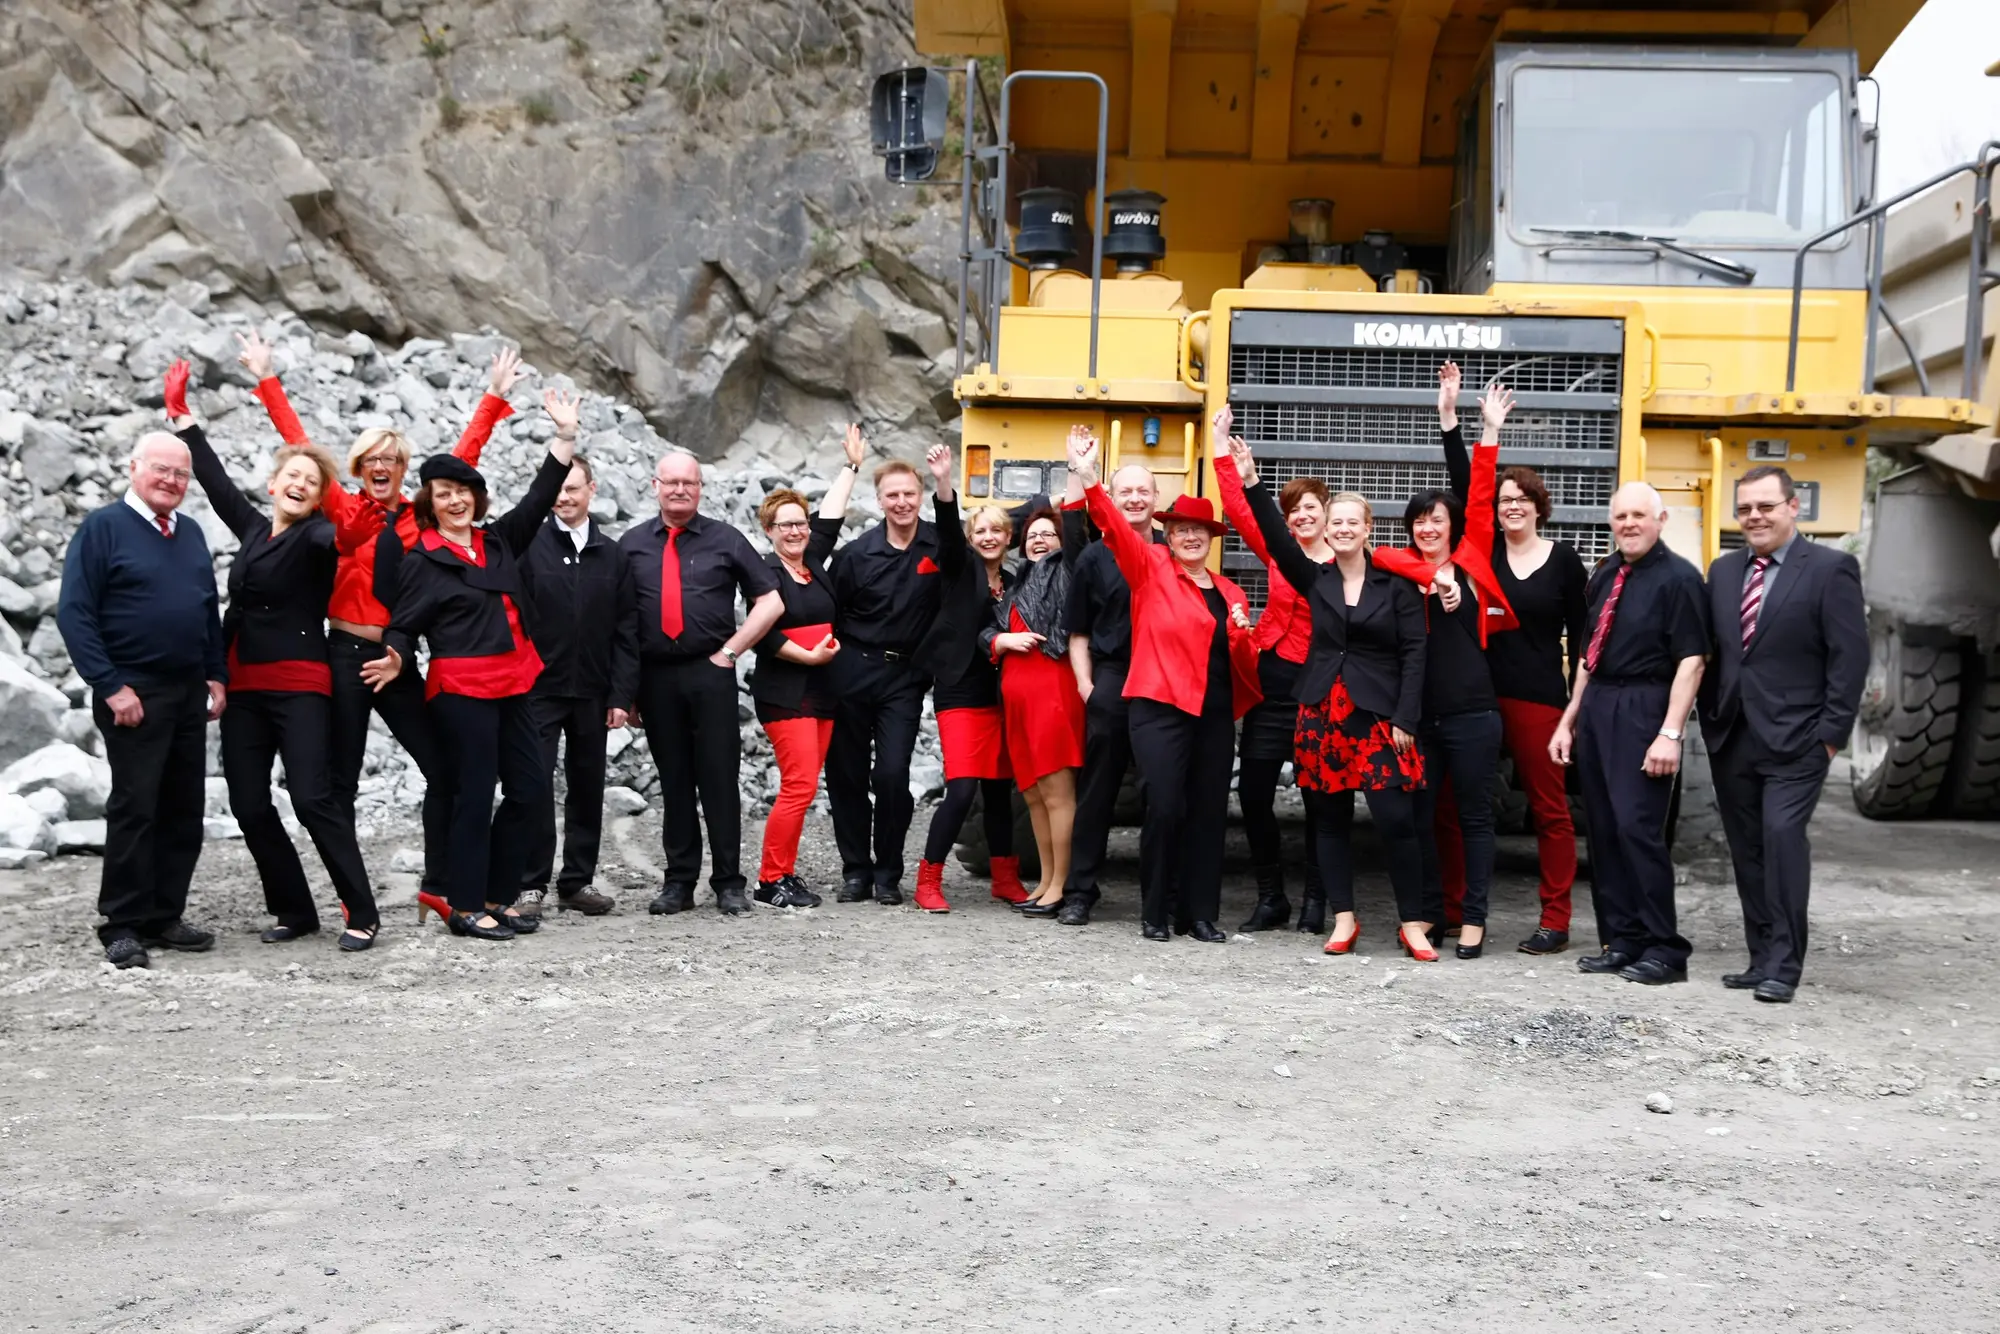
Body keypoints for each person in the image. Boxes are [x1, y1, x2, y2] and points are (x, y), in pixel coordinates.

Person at [239, 330, 521, 903]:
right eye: (373, 459)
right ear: (359, 466)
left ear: (403, 469)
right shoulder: (341, 508)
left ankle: (438, 887)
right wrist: (266, 378)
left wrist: (492, 396)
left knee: (441, 768)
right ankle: (352, 902)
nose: (383, 466)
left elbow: (462, 461)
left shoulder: (421, 519)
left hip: (396, 660)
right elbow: (300, 443)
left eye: (394, 460)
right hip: (343, 657)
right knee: (338, 781)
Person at [163, 360, 383, 951]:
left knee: (313, 798)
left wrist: (352, 521)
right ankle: (295, 909)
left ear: (317, 496)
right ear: (275, 481)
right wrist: (183, 420)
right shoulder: (256, 529)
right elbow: (212, 480)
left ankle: (361, 912)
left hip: (299, 683)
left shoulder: (316, 537)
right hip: (244, 688)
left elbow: (346, 536)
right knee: (249, 804)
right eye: (294, 474)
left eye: (312, 481)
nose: (301, 483)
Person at [363, 391, 579, 941]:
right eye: (443, 494)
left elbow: (538, 497)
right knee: (474, 796)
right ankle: (462, 904)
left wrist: (564, 438)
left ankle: (495, 895)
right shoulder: (423, 559)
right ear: (430, 504)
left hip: (514, 683)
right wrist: (394, 655)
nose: (455, 501)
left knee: (530, 792)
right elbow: (402, 623)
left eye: (462, 491)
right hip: (461, 689)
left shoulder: (499, 542)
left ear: (475, 497)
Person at [1228, 437, 1435, 960]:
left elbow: (1415, 655)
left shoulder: (1396, 586)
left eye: (1351, 522)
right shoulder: (1313, 579)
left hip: (1379, 717)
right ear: (1325, 528)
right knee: (1329, 821)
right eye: (1334, 522)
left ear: (1368, 529)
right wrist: (1251, 479)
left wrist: (1406, 716)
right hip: (1321, 713)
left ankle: (1413, 923)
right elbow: (1275, 538)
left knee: (1395, 820)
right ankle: (1343, 919)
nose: (1341, 529)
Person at [1073, 431, 1260, 942]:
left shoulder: (1229, 590)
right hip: (1158, 706)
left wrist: (1244, 635)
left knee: (1207, 812)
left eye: (1199, 530)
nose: (1190, 537)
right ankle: (1156, 911)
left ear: (1211, 538)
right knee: (1165, 806)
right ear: (1168, 536)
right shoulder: (1150, 568)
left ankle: (1198, 914)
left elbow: (1241, 658)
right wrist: (1090, 478)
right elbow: (1114, 528)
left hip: (1214, 712)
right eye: (1180, 529)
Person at [56, 431, 228, 969]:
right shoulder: (103, 528)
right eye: (162, 470)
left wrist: (216, 675)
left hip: (185, 691)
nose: (172, 481)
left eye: (181, 474)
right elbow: (75, 613)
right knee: (136, 806)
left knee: (183, 807)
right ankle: (123, 923)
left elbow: (205, 613)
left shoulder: (192, 532)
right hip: (131, 690)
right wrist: (109, 685)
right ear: (135, 468)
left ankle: (164, 914)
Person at [1698, 466, 1867, 1003]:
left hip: (1799, 740)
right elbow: (1717, 652)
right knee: (1747, 850)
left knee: (1782, 841)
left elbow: (1850, 657)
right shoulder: (1723, 572)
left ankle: (1784, 965)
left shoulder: (1830, 569)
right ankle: (1759, 957)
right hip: (1733, 735)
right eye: (1745, 508)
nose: (1754, 517)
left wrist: (1831, 735)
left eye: (1766, 506)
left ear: (1794, 508)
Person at [1438, 361, 1589, 955]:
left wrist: (1573, 714)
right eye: (1503, 499)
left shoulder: (1565, 561)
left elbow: (1583, 643)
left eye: (1521, 499)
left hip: (1536, 698)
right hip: (1474, 693)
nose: (1510, 506)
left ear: (1538, 506)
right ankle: (1454, 909)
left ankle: (1555, 918)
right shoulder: (1479, 547)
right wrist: (1463, 421)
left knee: (1550, 809)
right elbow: (1464, 480)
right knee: (1452, 801)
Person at [1373, 382, 1516, 959]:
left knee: (1476, 818)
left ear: (1452, 526)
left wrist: (1474, 426)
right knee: (1425, 815)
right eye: (1419, 521)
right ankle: (1432, 912)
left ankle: (1475, 919)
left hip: (1474, 713)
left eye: (1437, 520)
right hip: (1420, 717)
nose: (1428, 528)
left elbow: (1479, 493)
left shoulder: (1473, 555)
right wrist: (1432, 578)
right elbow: (1378, 554)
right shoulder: (1400, 567)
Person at [610, 447, 784, 917]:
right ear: (656, 487)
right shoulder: (630, 545)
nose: (680, 489)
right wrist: (626, 691)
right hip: (656, 678)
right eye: (671, 483)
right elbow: (620, 622)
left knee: (720, 781)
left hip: (711, 673)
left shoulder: (726, 539)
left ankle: (729, 883)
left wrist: (731, 652)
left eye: (689, 482)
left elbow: (770, 601)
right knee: (676, 783)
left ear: (700, 488)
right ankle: (679, 883)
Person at [1551, 482, 1710, 985]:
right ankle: (1621, 940)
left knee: (1638, 830)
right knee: (1602, 831)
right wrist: (1570, 718)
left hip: (1646, 705)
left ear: (1661, 520)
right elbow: (1588, 654)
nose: (1629, 524)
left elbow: (1692, 661)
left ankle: (1665, 949)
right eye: (1620, 516)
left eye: (1639, 515)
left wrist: (1671, 733)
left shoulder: (1681, 580)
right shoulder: (1605, 575)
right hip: (1599, 705)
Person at [826, 443, 963, 905]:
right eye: (892, 496)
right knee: (845, 775)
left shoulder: (938, 547)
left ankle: (888, 872)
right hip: (851, 671)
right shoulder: (856, 555)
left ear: (920, 495)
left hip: (903, 677)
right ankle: (856, 872)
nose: (901, 503)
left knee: (890, 775)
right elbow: (831, 610)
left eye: (909, 493)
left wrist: (945, 479)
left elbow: (952, 535)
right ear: (878, 500)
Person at [1213, 427, 1332, 933]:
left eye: (1310, 508)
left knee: (1317, 798)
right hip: (1270, 684)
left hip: (1317, 690)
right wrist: (1223, 452)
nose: (1301, 517)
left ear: (1327, 513)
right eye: (1293, 512)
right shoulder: (1282, 554)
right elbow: (1241, 511)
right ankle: (1271, 896)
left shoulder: (1346, 563)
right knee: (1255, 794)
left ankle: (1315, 901)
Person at [749, 432, 862, 908]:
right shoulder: (762, 572)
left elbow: (832, 515)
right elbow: (763, 635)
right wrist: (808, 656)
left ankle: (784, 874)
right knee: (798, 785)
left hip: (823, 688)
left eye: (800, 524)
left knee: (806, 785)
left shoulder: (814, 561)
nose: (795, 531)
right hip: (785, 688)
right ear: (769, 530)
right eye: (785, 525)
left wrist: (851, 468)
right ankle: (770, 880)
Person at [517, 452, 628, 918]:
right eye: (558, 489)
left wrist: (621, 694)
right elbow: (514, 619)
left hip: (593, 692)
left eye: (573, 488)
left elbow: (627, 627)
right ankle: (530, 886)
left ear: (591, 491)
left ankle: (577, 882)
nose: (564, 496)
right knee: (535, 785)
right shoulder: (527, 547)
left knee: (587, 787)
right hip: (538, 690)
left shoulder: (613, 554)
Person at [980, 445, 1090, 916]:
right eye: (1033, 534)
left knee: (1058, 792)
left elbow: (1079, 530)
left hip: (1053, 691)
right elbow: (987, 626)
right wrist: (997, 639)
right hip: (1018, 700)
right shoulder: (1017, 581)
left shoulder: (1068, 571)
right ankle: (1044, 880)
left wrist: (1075, 472)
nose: (1040, 539)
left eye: (1050, 533)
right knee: (1032, 793)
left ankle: (1060, 884)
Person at [1058, 461, 1163, 926]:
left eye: (1143, 491)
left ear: (1155, 499)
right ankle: (1080, 891)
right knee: (1097, 789)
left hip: (1163, 677)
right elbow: (1078, 632)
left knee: (1159, 790)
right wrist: (1086, 686)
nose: (1135, 499)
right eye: (1126, 492)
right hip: (1113, 676)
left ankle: (1160, 897)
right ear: (1113, 499)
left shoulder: (1174, 549)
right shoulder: (1092, 558)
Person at [914, 502, 1026, 914]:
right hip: (959, 692)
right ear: (970, 539)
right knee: (961, 790)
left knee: (999, 792)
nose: (988, 538)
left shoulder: (1016, 580)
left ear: (1008, 537)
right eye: (980, 531)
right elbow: (945, 531)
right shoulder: (960, 571)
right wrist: (945, 487)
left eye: (996, 531)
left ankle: (1005, 879)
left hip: (1000, 695)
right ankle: (928, 880)